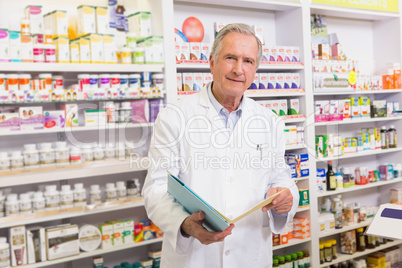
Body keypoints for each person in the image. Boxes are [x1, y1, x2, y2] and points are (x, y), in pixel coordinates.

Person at [142, 23, 299, 267]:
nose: (239, 69)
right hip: (195, 258)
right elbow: (156, 188)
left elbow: (281, 180)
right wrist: (185, 224)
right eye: (230, 58)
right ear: (212, 62)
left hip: (251, 254)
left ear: (255, 69)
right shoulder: (175, 117)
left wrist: (285, 200)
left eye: (248, 61)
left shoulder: (270, 122)